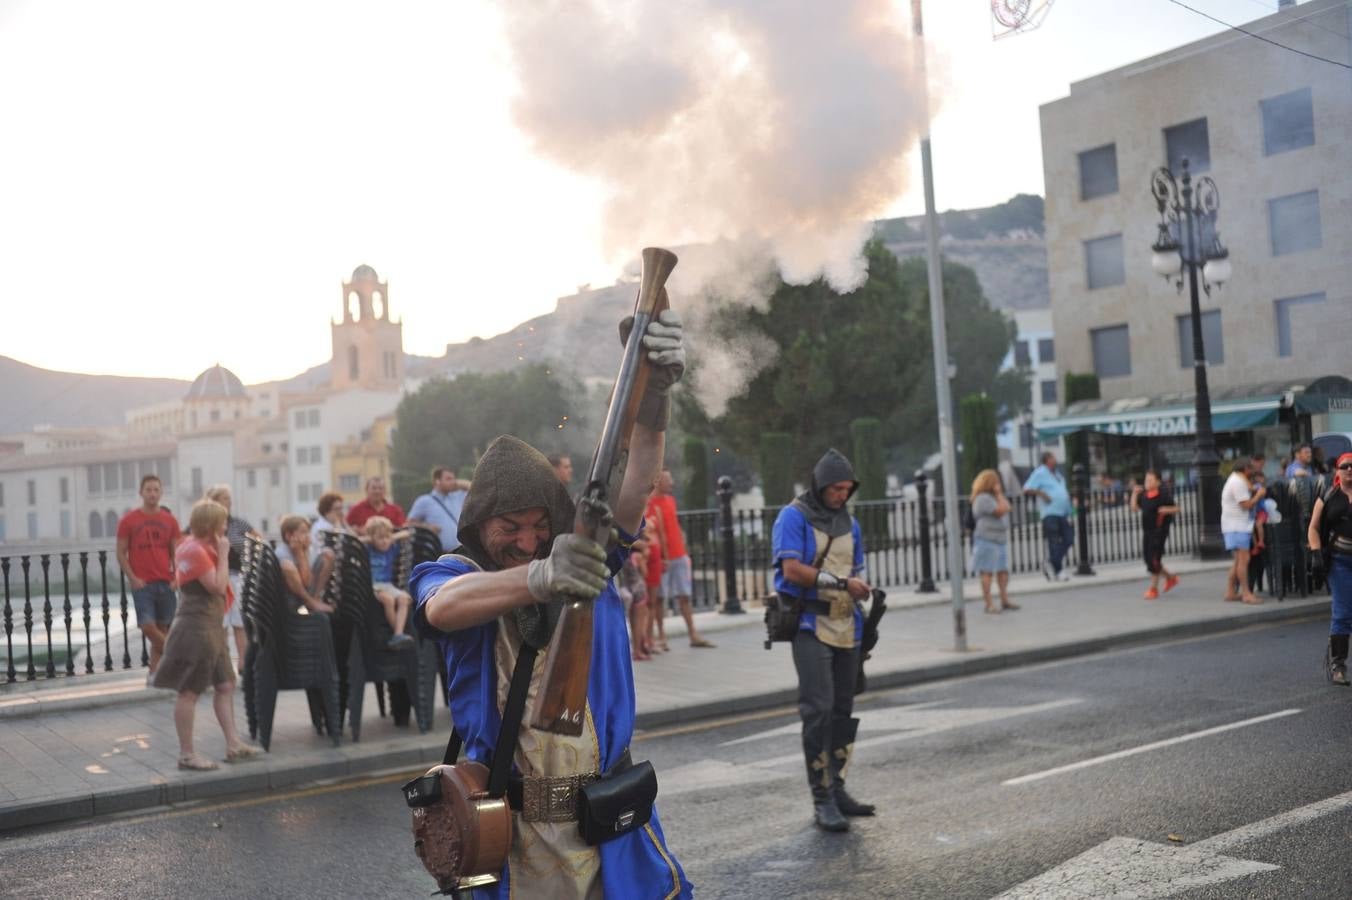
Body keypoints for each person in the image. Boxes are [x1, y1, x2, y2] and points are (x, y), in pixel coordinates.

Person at [409, 306, 691, 898]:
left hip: (605, 825)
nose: (529, 540)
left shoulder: (583, 557)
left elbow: (636, 480)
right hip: (509, 838)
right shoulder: (455, 573)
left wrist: (653, 400)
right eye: (510, 526)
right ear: (481, 522)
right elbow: (442, 608)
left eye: (540, 525)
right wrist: (542, 576)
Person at [772, 449, 874, 832]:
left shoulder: (852, 523)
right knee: (818, 710)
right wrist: (844, 584)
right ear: (820, 485)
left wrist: (864, 596)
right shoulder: (793, 517)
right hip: (810, 626)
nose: (842, 496)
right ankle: (822, 798)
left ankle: (839, 788)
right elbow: (792, 569)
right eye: (836, 489)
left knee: (842, 711)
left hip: (848, 627)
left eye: (847, 490)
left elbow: (855, 569)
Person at [153, 499, 260, 771]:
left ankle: (234, 744)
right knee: (189, 691)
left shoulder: (198, 546)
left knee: (225, 684)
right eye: (223, 521)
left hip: (213, 626)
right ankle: (187, 755)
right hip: (196, 628)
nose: (227, 525)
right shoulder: (194, 550)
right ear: (211, 524)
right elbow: (217, 586)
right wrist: (224, 554)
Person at [116, 474, 182, 683]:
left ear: (161, 493)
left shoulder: (170, 521)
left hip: (166, 582)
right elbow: (120, 552)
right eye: (148, 490)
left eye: (156, 490)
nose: (152, 494)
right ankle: (179, 659)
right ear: (141, 493)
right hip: (143, 584)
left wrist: (177, 577)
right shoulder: (129, 520)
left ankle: (154, 675)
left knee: (162, 629)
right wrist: (133, 578)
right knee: (147, 627)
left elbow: (177, 552)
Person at [652, 470, 714, 648]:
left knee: (684, 596)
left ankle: (693, 633)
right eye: (668, 479)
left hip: (678, 555)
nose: (671, 483)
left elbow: (675, 527)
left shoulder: (670, 501)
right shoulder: (650, 504)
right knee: (660, 598)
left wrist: (684, 552)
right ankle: (661, 637)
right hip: (663, 558)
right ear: (657, 481)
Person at [1309, 452, 1352, 685]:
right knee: (1343, 611)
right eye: (1344, 466)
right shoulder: (1328, 496)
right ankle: (1338, 664)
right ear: (1337, 470)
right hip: (1340, 561)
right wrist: (1316, 553)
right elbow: (1313, 528)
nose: (1349, 469)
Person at [204, 484, 257, 674]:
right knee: (222, 623)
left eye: (229, 498)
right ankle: (224, 665)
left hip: (238, 576)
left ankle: (243, 664)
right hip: (218, 577)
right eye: (225, 498)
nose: (229, 501)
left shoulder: (238, 524)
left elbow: (258, 539)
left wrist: (250, 557)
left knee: (239, 622)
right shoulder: (208, 525)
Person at [360, 515, 416, 649]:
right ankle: (398, 633)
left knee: (404, 599)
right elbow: (357, 541)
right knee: (389, 600)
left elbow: (407, 533)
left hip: (387, 585)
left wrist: (391, 538)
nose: (384, 541)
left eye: (387, 537)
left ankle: (397, 634)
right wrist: (370, 539)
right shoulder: (368, 550)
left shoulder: (391, 548)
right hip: (374, 586)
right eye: (380, 538)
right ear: (372, 538)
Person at [970, 469, 1016, 614]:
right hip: (986, 539)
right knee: (987, 572)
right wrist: (998, 494)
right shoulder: (982, 498)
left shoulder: (995, 497)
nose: (998, 484)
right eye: (995, 481)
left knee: (1002, 571)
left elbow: (1008, 507)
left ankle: (1004, 599)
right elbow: (1001, 510)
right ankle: (988, 603)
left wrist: (998, 495)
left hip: (999, 539)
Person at [1023, 451, 1074, 582]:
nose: (1055, 459)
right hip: (1049, 512)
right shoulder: (1040, 472)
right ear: (1047, 460)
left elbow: (1063, 492)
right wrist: (1042, 494)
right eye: (1052, 457)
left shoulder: (1058, 475)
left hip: (1061, 512)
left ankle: (1051, 562)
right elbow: (1027, 488)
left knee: (1069, 538)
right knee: (1054, 541)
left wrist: (1069, 510)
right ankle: (1058, 571)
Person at [1221, 456, 1265, 605]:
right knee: (1244, 560)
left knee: (1238, 560)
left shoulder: (1236, 479)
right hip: (1237, 525)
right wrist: (1258, 496)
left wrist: (1254, 488)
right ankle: (1246, 593)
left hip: (1233, 525)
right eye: (1251, 468)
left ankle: (1230, 592)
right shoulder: (1238, 482)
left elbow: (1248, 489)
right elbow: (1246, 505)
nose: (1253, 471)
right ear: (1245, 469)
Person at [1131, 471, 1180, 600]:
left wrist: (1166, 509)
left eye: (1151, 480)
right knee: (1148, 560)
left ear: (1158, 482)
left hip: (1159, 533)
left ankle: (1153, 589)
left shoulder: (1163, 496)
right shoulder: (1145, 496)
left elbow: (1177, 509)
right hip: (1147, 532)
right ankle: (1171, 578)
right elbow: (1134, 508)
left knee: (1154, 560)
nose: (1147, 482)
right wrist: (1134, 494)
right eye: (1146, 480)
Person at [275, 516, 337, 616]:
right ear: (288, 536)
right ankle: (311, 602)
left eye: (308, 532)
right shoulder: (282, 552)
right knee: (287, 566)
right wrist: (299, 553)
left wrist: (303, 553)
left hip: (306, 591)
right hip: (289, 597)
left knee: (328, 554)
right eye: (303, 532)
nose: (308, 536)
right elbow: (306, 583)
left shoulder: (308, 549)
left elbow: (309, 581)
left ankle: (315, 599)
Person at [407, 466, 472, 553]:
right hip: (438, 554)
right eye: (448, 479)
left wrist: (455, 483)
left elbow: (472, 488)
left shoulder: (457, 496)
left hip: (461, 553)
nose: (452, 482)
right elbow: (409, 524)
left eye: (453, 479)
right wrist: (427, 527)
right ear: (437, 481)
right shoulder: (424, 501)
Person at [643, 492, 668, 653]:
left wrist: (665, 557)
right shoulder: (637, 510)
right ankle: (646, 639)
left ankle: (651, 638)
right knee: (645, 602)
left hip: (655, 558)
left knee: (653, 601)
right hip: (645, 559)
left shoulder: (655, 509)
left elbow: (661, 533)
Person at [622, 538, 652, 661]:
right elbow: (644, 573)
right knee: (639, 621)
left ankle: (634, 650)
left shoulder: (624, 559)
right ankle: (638, 650)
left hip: (629, 588)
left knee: (632, 621)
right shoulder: (638, 557)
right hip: (639, 588)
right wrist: (645, 558)